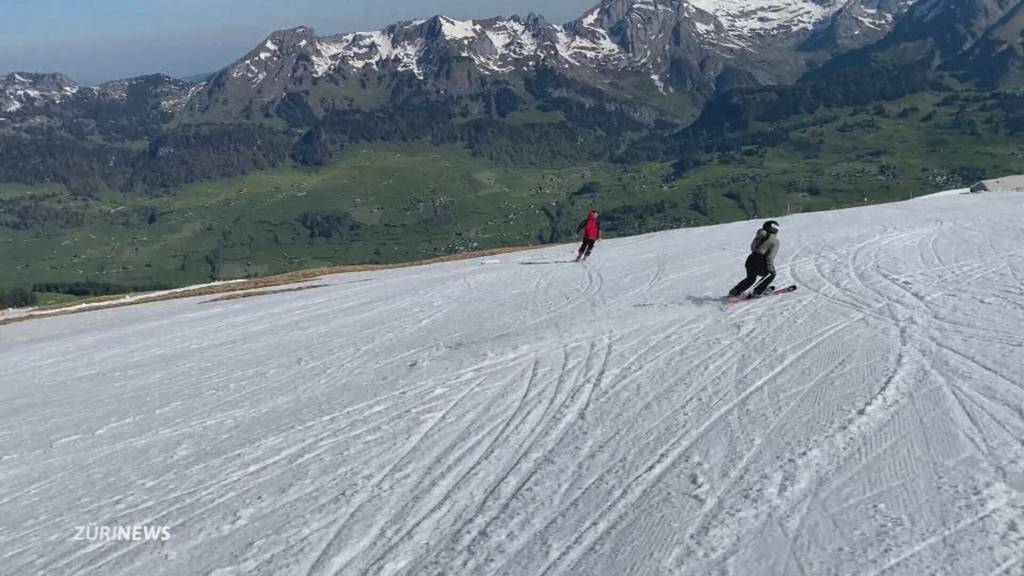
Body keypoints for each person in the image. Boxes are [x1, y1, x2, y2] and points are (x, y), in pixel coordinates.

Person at [729, 220, 780, 298]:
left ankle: (736, 291)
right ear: (774, 229)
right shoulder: (775, 241)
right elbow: (770, 257)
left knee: (751, 278)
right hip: (761, 260)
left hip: (751, 259)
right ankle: (757, 291)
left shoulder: (759, 236)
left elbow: (753, 248)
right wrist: (770, 268)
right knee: (771, 274)